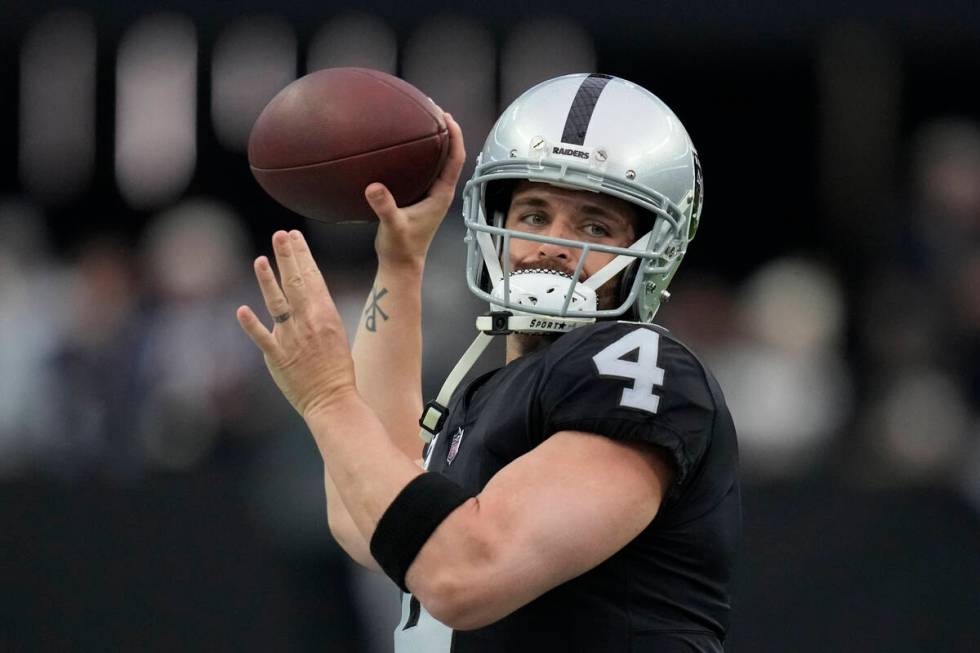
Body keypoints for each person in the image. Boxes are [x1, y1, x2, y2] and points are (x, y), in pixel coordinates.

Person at [236, 73, 741, 652]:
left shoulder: (640, 363)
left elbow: (464, 576)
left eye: (594, 225)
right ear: (493, 226)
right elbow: (368, 520)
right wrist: (400, 264)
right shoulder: (489, 394)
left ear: (651, 253)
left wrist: (328, 398)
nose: (552, 243)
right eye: (533, 215)